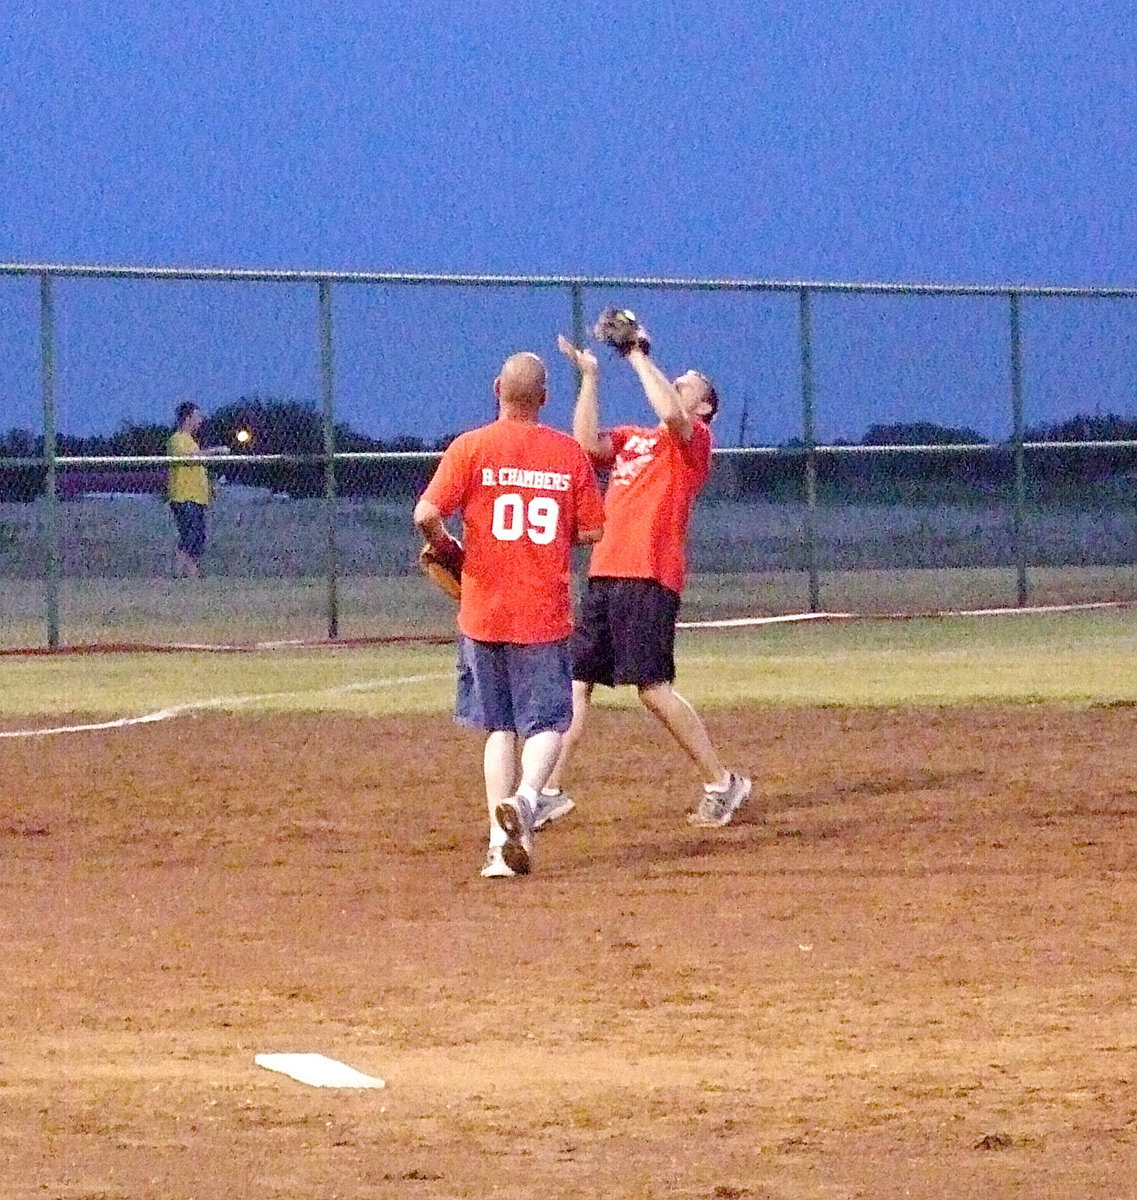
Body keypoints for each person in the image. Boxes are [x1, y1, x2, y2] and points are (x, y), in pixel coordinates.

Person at [543, 326, 752, 827]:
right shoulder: (635, 439)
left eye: (690, 381)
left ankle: (723, 783)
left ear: (705, 408)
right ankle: (548, 788)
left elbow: (672, 415)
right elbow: (585, 444)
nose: (680, 381)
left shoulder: (693, 441)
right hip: (606, 571)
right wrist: (591, 377)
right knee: (575, 684)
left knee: (652, 689)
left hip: (649, 574)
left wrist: (636, 354)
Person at [413, 351, 605, 879]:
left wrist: (450, 547)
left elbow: (426, 514)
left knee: (498, 727)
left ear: (497, 387)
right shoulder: (568, 454)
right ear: (544, 399)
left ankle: (499, 850)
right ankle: (525, 801)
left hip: (483, 609)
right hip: (541, 609)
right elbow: (593, 530)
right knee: (547, 722)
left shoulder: (470, 447)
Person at [166, 401, 229, 578]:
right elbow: (188, 458)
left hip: (198, 497)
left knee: (198, 538)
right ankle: (179, 573)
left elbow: (198, 466)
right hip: (184, 497)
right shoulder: (177, 439)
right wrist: (215, 451)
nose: (200, 421)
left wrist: (210, 487)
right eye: (197, 416)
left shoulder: (192, 441)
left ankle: (192, 574)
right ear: (187, 418)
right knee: (189, 536)